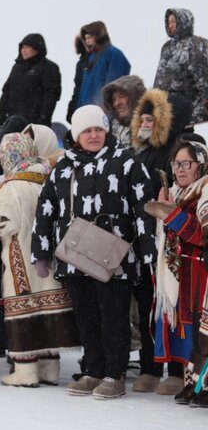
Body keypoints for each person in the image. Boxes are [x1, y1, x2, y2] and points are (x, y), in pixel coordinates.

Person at [32, 105, 155, 400]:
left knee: (113, 317)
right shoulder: (63, 167)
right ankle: (93, 371)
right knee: (86, 317)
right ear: (76, 135)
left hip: (116, 257)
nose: (94, 135)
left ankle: (115, 374)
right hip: (74, 257)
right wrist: (41, 251)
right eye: (87, 130)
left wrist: (148, 251)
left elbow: (144, 208)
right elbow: (45, 209)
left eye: (98, 129)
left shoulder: (126, 162)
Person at [0, 131, 80, 387]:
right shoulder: (47, 177)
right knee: (48, 306)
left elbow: (3, 223)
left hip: (21, 256)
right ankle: (49, 368)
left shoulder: (12, 186)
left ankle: (25, 371)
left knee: (24, 307)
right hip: (50, 258)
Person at [145, 136, 208, 398]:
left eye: (187, 163)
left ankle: (203, 386)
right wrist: (166, 209)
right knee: (189, 330)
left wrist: (170, 213)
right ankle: (193, 383)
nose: (180, 170)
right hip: (182, 272)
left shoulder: (204, 192)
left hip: (201, 272)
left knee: (202, 330)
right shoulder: (178, 194)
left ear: (201, 165)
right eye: (176, 163)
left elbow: (201, 235)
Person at [66, 21, 131, 123]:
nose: (87, 41)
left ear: (98, 36)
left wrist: (105, 105)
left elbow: (115, 84)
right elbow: (83, 90)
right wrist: (77, 110)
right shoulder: (90, 58)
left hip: (103, 114)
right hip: (86, 113)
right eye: (86, 38)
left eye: (90, 37)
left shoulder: (113, 54)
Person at [153, 8, 208, 125]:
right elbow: (160, 79)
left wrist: (201, 108)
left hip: (188, 108)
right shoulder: (167, 47)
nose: (170, 25)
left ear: (183, 21)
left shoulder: (196, 45)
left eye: (173, 21)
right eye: (168, 22)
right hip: (166, 109)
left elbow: (203, 79)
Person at [0, 34, 62, 126]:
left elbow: (51, 95)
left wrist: (43, 118)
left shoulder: (49, 67)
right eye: (22, 47)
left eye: (27, 47)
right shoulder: (17, 67)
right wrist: (2, 114)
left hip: (34, 123)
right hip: (12, 121)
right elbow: (6, 91)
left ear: (37, 48)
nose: (23, 50)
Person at [101, 75, 146, 148]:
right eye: (114, 99)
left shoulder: (148, 127)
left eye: (122, 96)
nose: (117, 103)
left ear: (136, 97)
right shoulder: (109, 128)